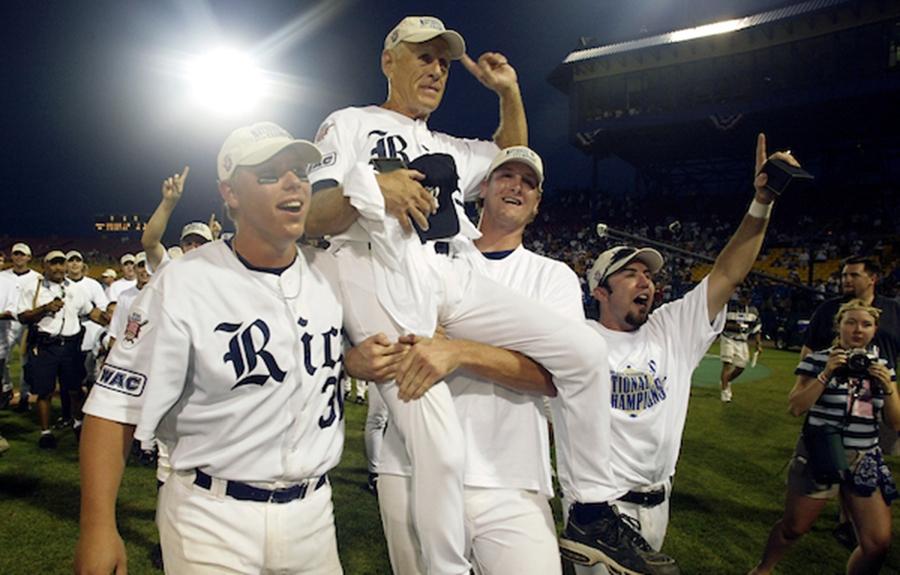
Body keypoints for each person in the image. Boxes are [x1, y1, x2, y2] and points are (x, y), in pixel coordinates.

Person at [308, 17, 627, 575]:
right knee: (442, 451)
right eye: (423, 57)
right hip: (382, 270)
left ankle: (592, 509)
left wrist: (509, 92)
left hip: (452, 273)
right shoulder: (350, 123)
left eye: (443, 62)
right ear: (388, 61)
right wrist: (370, 187)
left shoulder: (445, 146)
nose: (437, 70)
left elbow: (512, 150)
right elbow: (314, 214)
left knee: (586, 352)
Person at [75, 122, 379, 574]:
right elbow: (113, 407)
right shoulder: (182, 282)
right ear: (230, 193)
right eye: (270, 173)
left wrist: (351, 360)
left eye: (299, 171)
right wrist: (97, 526)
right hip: (211, 516)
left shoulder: (331, 272)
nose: (294, 182)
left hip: (313, 513)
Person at [562, 135, 798, 575]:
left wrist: (762, 202)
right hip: (601, 512)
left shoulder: (672, 329)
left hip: (659, 503)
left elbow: (727, 273)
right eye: (629, 274)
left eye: (648, 274)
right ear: (600, 290)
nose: (645, 282)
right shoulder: (576, 340)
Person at [362, 146, 573, 574]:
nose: (517, 186)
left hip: (511, 477)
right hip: (410, 468)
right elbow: (385, 336)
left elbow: (554, 377)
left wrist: (457, 350)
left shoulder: (553, 276)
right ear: (482, 189)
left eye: (529, 182)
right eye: (506, 176)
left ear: (537, 204)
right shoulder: (427, 257)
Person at [749, 299, 900, 575]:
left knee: (876, 543)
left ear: (875, 329)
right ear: (838, 326)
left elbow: (895, 422)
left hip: (864, 457)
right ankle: (762, 570)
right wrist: (827, 373)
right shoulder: (818, 360)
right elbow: (796, 407)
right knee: (794, 528)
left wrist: (888, 387)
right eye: (850, 322)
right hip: (821, 453)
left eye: (866, 324)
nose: (858, 330)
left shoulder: (881, 366)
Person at [17, 250, 106, 448]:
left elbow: (90, 311)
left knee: (75, 389)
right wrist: (45, 308)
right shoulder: (33, 288)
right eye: (53, 263)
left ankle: (77, 423)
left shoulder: (75, 288)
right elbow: (22, 317)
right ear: (44, 266)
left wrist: (110, 321)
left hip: (71, 346)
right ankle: (45, 432)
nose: (58, 268)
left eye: (61, 263)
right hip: (46, 345)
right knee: (45, 391)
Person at [141, 164, 221, 272]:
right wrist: (168, 203)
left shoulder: (218, 271)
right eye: (188, 244)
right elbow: (149, 243)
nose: (193, 248)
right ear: (182, 247)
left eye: (200, 243)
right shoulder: (173, 269)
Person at [1, 242, 42, 411]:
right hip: (5, 323)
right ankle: (6, 388)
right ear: (12, 256)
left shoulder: (37, 278)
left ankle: (24, 395)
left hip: (27, 324)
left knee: (27, 362)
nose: (19, 257)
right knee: (1, 359)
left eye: (22, 254)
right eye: (16, 253)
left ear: (29, 257)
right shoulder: (2, 276)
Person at [719, 290, 762, 402]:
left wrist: (758, 344)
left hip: (742, 341)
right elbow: (721, 324)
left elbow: (757, 329)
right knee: (727, 364)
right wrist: (733, 327)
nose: (744, 300)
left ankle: (726, 381)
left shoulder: (753, 312)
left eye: (747, 298)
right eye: (743, 297)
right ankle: (725, 391)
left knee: (741, 366)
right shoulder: (729, 308)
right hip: (728, 338)